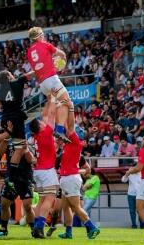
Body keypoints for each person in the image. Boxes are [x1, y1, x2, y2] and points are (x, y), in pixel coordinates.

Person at [58, 102, 100, 240]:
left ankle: (91, 227)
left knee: (76, 207)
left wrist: (69, 108)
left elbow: (69, 125)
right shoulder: (74, 144)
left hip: (69, 178)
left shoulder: (74, 141)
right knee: (66, 207)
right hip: (68, 177)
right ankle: (69, 232)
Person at [27, 26, 71, 142]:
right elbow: (62, 54)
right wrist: (63, 62)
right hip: (51, 80)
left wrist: (51, 63)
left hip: (42, 84)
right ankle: (60, 130)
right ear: (40, 36)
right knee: (66, 102)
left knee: (52, 103)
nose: (44, 36)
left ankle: (48, 131)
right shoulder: (45, 44)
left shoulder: (30, 51)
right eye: (43, 35)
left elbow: (38, 67)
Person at [0, 140, 37, 237]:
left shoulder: (27, 145)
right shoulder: (8, 145)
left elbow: (31, 160)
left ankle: (33, 229)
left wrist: (25, 149)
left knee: (27, 206)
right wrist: (4, 139)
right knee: (4, 204)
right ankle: (3, 228)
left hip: (25, 180)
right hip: (11, 179)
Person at [29, 98, 58, 238]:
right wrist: (54, 99)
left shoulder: (35, 136)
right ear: (39, 126)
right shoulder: (45, 133)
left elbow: (46, 116)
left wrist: (48, 101)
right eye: (41, 122)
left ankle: (36, 226)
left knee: (41, 199)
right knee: (49, 198)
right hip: (47, 170)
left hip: (38, 170)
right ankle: (39, 228)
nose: (43, 122)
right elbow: (51, 116)